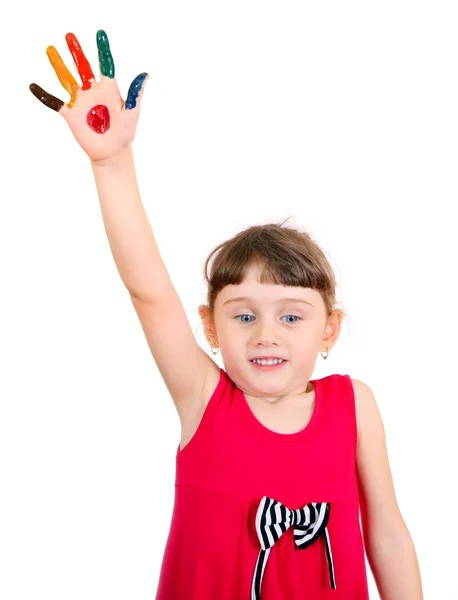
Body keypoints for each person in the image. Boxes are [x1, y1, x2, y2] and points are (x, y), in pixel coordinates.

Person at [30, 29, 424, 600]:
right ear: (210, 326)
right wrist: (112, 162)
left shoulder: (354, 405)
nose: (267, 334)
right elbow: (150, 292)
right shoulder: (204, 397)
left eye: (292, 317)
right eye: (243, 317)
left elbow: (386, 531)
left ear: (330, 329)